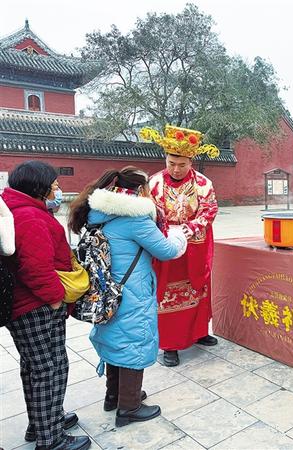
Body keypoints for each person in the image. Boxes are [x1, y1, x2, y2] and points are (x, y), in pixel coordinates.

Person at [68, 167, 187, 427]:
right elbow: (167, 251)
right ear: (139, 190)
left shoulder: (97, 214)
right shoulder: (135, 219)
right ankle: (129, 407)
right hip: (132, 292)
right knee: (134, 341)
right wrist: (180, 236)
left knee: (115, 340)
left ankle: (114, 396)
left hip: (106, 292)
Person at [1, 161, 90, 450]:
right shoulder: (30, 217)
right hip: (35, 305)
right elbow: (34, 268)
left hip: (28, 304)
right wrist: (54, 298)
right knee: (47, 369)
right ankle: (50, 439)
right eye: (54, 186)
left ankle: (43, 423)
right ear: (39, 188)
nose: (57, 191)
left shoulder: (21, 209)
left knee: (38, 367)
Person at [140, 125, 220, 367]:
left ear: (190, 162)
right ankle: (170, 344)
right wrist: (166, 230)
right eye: (171, 163)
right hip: (166, 246)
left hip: (195, 245)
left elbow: (209, 209)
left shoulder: (203, 183)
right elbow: (147, 212)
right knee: (167, 292)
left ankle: (199, 332)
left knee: (198, 287)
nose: (176, 169)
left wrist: (191, 227)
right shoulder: (154, 183)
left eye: (182, 164)